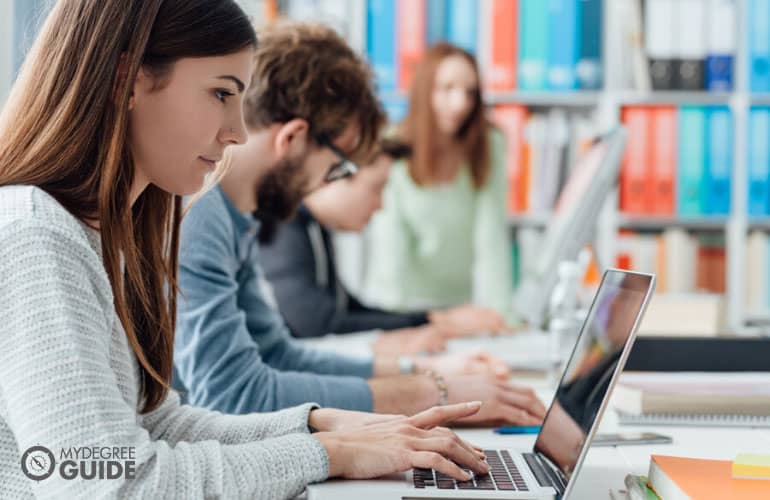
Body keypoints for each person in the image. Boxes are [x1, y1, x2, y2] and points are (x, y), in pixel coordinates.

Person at [0, 2, 492, 497]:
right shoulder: (36, 238)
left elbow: (154, 425)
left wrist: (324, 427)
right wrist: (327, 453)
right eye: (220, 93)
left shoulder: (107, 239)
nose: (236, 131)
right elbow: (108, 483)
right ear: (129, 80)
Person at [174, 22, 546, 425]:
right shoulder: (200, 211)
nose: (323, 187)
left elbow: (278, 355)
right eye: (337, 169)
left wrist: (423, 376)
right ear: (294, 139)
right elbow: (234, 395)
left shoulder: (234, 217)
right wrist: (433, 393)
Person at [259, 137, 511, 350]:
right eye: (376, 189)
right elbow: (315, 322)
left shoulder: (314, 229)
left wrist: (434, 319)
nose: (380, 205)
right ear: (336, 174)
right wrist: (436, 323)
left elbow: (347, 308)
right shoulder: (285, 225)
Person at [363, 43, 515, 321]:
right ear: (424, 91)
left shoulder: (490, 144)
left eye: (470, 92)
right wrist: (394, 324)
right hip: (399, 305)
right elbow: (390, 248)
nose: (461, 104)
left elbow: (492, 236)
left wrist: (500, 314)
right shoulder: (393, 145)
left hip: (458, 307)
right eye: (447, 89)